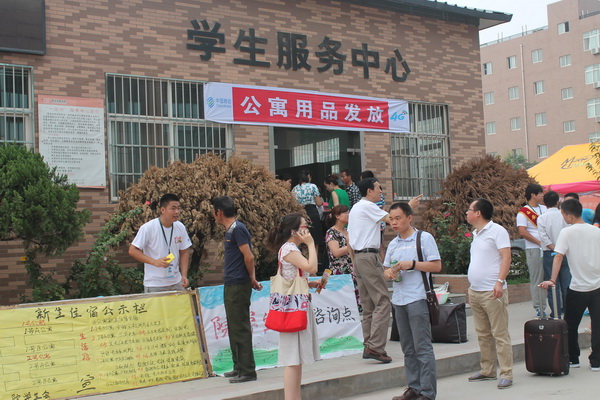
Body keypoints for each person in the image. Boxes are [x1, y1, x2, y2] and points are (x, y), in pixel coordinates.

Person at [383, 202, 441, 400]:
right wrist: (389, 273)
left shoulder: (423, 238)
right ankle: (414, 388)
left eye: (398, 218)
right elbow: (386, 270)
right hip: (399, 299)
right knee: (407, 348)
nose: (394, 223)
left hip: (418, 297)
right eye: (391, 219)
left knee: (422, 347)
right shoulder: (393, 243)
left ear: (409, 218)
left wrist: (413, 264)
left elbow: (436, 266)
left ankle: (427, 392)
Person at [540, 199, 600, 371]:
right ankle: (596, 361)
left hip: (578, 287)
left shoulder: (566, 232)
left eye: (562, 214)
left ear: (569, 215)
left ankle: (573, 358)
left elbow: (558, 256)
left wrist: (552, 279)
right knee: (598, 325)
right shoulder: (596, 231)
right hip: (597, 285)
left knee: (571, 325)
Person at [267, 212, 321, 400]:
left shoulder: (290, 249)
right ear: (294, 231)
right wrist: (311, 244)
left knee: (295, 359)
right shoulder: (289, 249)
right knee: (292, 359)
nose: (307, 230)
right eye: (304, 226)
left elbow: (293, 277)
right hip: (292, 309)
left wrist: (310, 283)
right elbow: (312, 267)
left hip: (296, 306)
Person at [212, 196, 263, 383]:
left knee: (240, 327)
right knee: (234, 327)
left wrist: (251, 278)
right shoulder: (231, 230)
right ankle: (238, 366)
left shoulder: (238, 229)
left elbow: (249, 257)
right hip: (231, 283)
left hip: (238, 284)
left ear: (219, 212)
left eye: (214, 212)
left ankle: (247, 371)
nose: (213, 215)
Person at [466, 198, 513, 390]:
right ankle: (488, 369)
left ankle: (506, 373)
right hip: (476, 291)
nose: (467, 212)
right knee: (483, 333)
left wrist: (499, 282)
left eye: (469, 209)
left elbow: (506, 257)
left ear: (478, 213)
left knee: (499, 333)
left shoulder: (497, 231)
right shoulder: (476, 234)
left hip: (492, 291)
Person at [348, 177, 393, 363]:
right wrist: (409, 208)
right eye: (378, 188)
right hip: (368, 256)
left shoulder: (355, 208)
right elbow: (393, 220)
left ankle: (369, 345)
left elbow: (349, 238)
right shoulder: (368, 206)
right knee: (383, 301)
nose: (381, 191)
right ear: (369, 191)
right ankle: (375, 347)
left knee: (368, 306)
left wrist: (354, 262)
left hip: (359, 257)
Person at [129, 193, 192, 293]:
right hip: (155, 284)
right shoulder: (148, 228)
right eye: (173, 208)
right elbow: (133, 250)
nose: (177, 212)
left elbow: (184, 252)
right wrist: (154, 262)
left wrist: (184, 275)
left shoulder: (180, 227)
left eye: (178, 208)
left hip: (176, 282)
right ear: (162, 210)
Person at [536, 190, 571, 316]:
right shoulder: (564, 216)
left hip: (549, 254)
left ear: (544, 203)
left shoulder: (541, 218)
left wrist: (555, 249)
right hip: (565, 253)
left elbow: (544, 238)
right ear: (558, 202)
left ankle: (555, 314)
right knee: (567, 284)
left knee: (552, 284)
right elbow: (569, 233)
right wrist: (561, 250)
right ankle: (569, 312)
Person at [517, 183, 547, 316]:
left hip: (548, 248)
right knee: (537, 279)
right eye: (540, 193)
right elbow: (522, 232)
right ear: (533, 195)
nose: (542, 195)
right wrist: (539, 242)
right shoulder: (523, 212)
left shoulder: (544, 209)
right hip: (534, 249)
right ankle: (539, 307)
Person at [324, 205, 359, 307]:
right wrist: (352, 245)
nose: (348, 215)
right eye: (346, 213)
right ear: (337, 216)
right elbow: (336, 252)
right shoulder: (331, 232)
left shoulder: (348, 231)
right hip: (338, 271)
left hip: (352, 269)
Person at [291, 170, 324, 254]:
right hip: (312, 213)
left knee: (302, 239)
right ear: (307, 177)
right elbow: (319, 203)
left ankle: (303, 258)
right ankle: (314, 258)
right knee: (315, 239)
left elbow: (293, 205)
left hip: (300, 214)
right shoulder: (313, 186)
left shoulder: (295, 188)